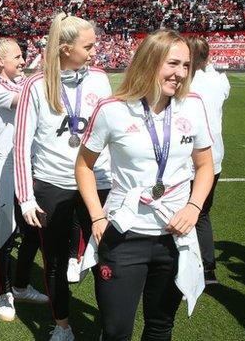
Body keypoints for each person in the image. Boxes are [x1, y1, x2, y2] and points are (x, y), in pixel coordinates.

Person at [75, 29, 214, 340]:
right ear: (150, 61)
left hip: (174, 236)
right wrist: (97, 216)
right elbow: (84, 166)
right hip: (124, 235)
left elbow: (205, 167)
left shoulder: (193, 105)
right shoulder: (112, 109)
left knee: (160, 327)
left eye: (186, 66)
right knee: (115, 330)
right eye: (173, 63)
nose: (180, 73)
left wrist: (194, 207)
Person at [14, 13, 113, 341]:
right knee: (54, 262)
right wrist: (26, 197)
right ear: (66, 48)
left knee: (106, 259)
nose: (94, 51)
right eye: (88, 46)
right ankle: (62, 326)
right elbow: (21, 145)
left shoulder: (99, 78)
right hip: (51, 186)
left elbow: (111, 132)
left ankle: (109, 327)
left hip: (98, 182)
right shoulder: (36, 85)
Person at [0, 37, 48, 323]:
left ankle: (20, 285)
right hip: (4, 168)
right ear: (0, 62)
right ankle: (3, 291)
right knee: (3, 236)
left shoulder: (21, 83)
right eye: (18, 57)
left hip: (25, 166)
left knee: (33, 229)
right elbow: (28, 101)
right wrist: (50, 69)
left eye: (23, 56)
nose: (23, 61)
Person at [188, 36, 230, 285]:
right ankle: (208, 270)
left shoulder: (187, 81)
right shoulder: (219, 80)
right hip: (214, 156)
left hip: (190, 157)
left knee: (184, 213)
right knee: (202, 214)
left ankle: (189, 271)